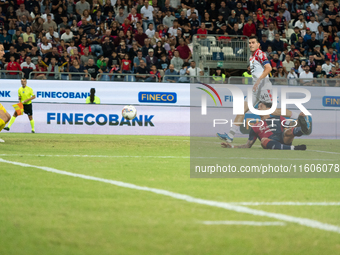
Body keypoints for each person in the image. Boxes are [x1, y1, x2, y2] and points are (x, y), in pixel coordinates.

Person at [217, 36, 299, 142]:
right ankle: (230, 136)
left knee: (272, 111)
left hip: (263, 85)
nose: (251, 44)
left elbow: (268, 68)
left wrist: (259, 80)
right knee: (242, 109)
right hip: (256, 88)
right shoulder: (252, 56)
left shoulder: (260, 54)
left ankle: (297, 116)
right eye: (249, 42)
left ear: (258, 44)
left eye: (253, 42)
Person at [221, 102, 311, 150]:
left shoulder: (278, 118)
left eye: (260, 106)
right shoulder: (255, 127)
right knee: (263, 141)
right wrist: (232, 147)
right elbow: (247, 145)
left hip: (284, 139)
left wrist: (299, 120)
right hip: (271, 142)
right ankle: (294, 148)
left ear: (268, 109)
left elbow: (292, 124)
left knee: (288, 131)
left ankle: (303, 129)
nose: (258, 108)